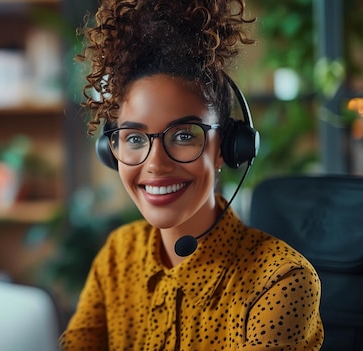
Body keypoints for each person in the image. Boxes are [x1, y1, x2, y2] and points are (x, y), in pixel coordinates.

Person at [59, 0, 324, 350]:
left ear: (226, 148)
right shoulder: (118, 256)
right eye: (135, 138)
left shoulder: (280, 280)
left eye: (184, 135)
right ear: (112, 150)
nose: (155, 164)